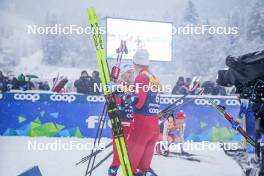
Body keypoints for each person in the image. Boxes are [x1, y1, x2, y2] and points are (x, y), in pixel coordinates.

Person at [126, 49, 160, 176]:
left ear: (136, 63)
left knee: (131, 167)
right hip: (154, 124)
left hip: (142, 123)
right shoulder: (153, 76)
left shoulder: (141, 77)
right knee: (144, 168)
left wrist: (127, 98)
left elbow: (139, 102)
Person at [108, 64, 135, 176]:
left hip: (132, 125)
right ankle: (113, 169)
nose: (131, 75)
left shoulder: (136, 86)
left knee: (131, 153)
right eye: (128, 72)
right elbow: (116, 103)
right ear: (123, 74)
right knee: (117, 154)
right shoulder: (119, 85)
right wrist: (113, 91)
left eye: (132, 73)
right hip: (120, 124)